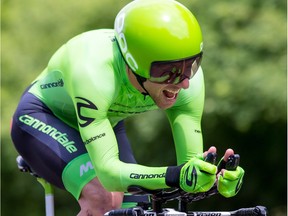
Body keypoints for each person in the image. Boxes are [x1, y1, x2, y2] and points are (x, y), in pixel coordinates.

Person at [10, 0, 245, 215]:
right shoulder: (94, 71)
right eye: (168, 71)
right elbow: (111, 175)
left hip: (104, 121)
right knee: (102, 198)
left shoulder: (188, 83)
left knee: (135, 204)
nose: (183, 82)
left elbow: (189, 173)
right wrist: (175, 176)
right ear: (134, 63)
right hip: (44, 116)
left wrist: (211, 180)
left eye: (191, 65)